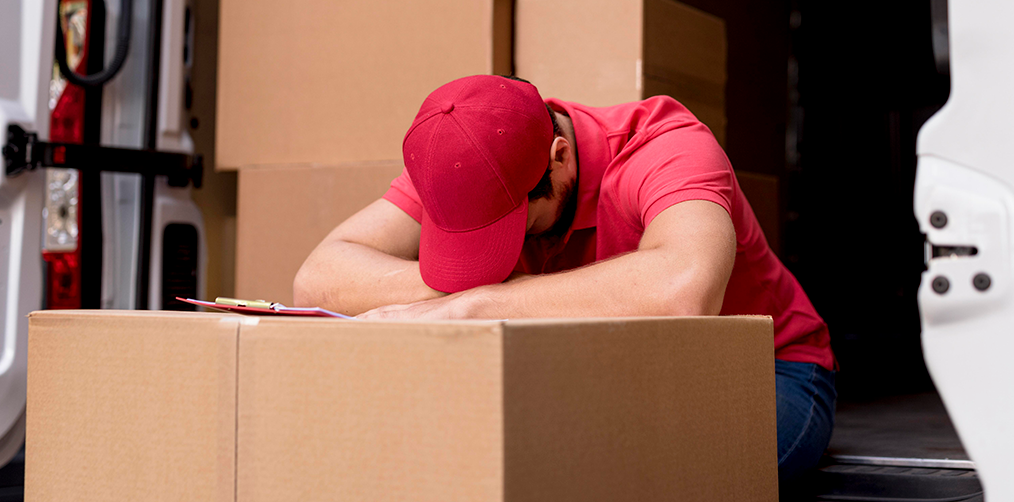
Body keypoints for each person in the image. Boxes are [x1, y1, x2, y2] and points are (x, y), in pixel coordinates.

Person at [294, 74, 835, 482]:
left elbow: (683, 288)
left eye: (511, 230)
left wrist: (477, 303)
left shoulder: (665, 147)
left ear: (560, 158)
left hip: (769, 370)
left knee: (632, 483)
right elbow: (318, 279)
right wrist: (469, 287)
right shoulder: (461, 159)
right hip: (610, 368)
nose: (489, 262)